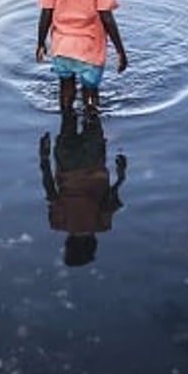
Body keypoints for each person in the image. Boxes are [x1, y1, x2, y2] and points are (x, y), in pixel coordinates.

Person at [40, 111, 126, 267]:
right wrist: (44, 158)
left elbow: (109, 199)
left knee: (92, 112)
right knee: (67, 113)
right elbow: (50, 189)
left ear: (92, 246)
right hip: (66, 160)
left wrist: (121, 176)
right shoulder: (57, 223)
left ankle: (91, 88)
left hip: (93, 161)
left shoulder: (102, 225)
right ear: (68, 244)